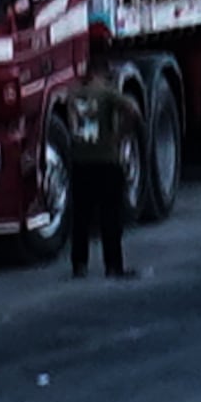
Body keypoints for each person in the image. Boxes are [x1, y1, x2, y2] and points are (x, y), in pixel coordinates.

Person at [52, 70, 139, 279]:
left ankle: (79, 265)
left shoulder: (74, 95)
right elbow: (132, 109)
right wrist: (121, 136)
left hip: (81, 161)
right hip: (107, 160)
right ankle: (113, 265)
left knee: (81, 216)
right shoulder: (108, 94)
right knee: (110, 216)